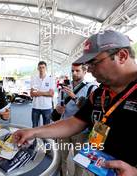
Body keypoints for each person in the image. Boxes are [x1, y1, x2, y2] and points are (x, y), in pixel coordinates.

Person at [13, 30, 137, 175]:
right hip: (98, 167)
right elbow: (75, 122)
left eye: (94, 63)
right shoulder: (100, 92)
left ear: (122, 56)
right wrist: (33, 132)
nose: (89, 70)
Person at [56, 63, 97, 176]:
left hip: (81, 132)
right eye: (72, 70)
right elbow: (60, 104)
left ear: (84, 72)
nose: (74, 73)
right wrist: (59, 108)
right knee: (60, 158)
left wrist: (74, 96)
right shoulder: (64, 87)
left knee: (80, 162)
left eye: (77, 71)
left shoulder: (91, 88)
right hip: (64, 129)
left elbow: (89, 110)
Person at [30, 61, 54, 127]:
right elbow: (32, 94)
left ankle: (45, 138)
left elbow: (51, 94)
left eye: (43, 67)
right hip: (36, 106)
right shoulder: (34, 79)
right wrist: (46, 93)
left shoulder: (50, 79)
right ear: (38, 69)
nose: (41, 69)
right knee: (34, 127)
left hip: (47, 107)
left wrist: (38, 92)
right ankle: (35, 138)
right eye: (40, 68)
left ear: (46, 68)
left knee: (46, 128)